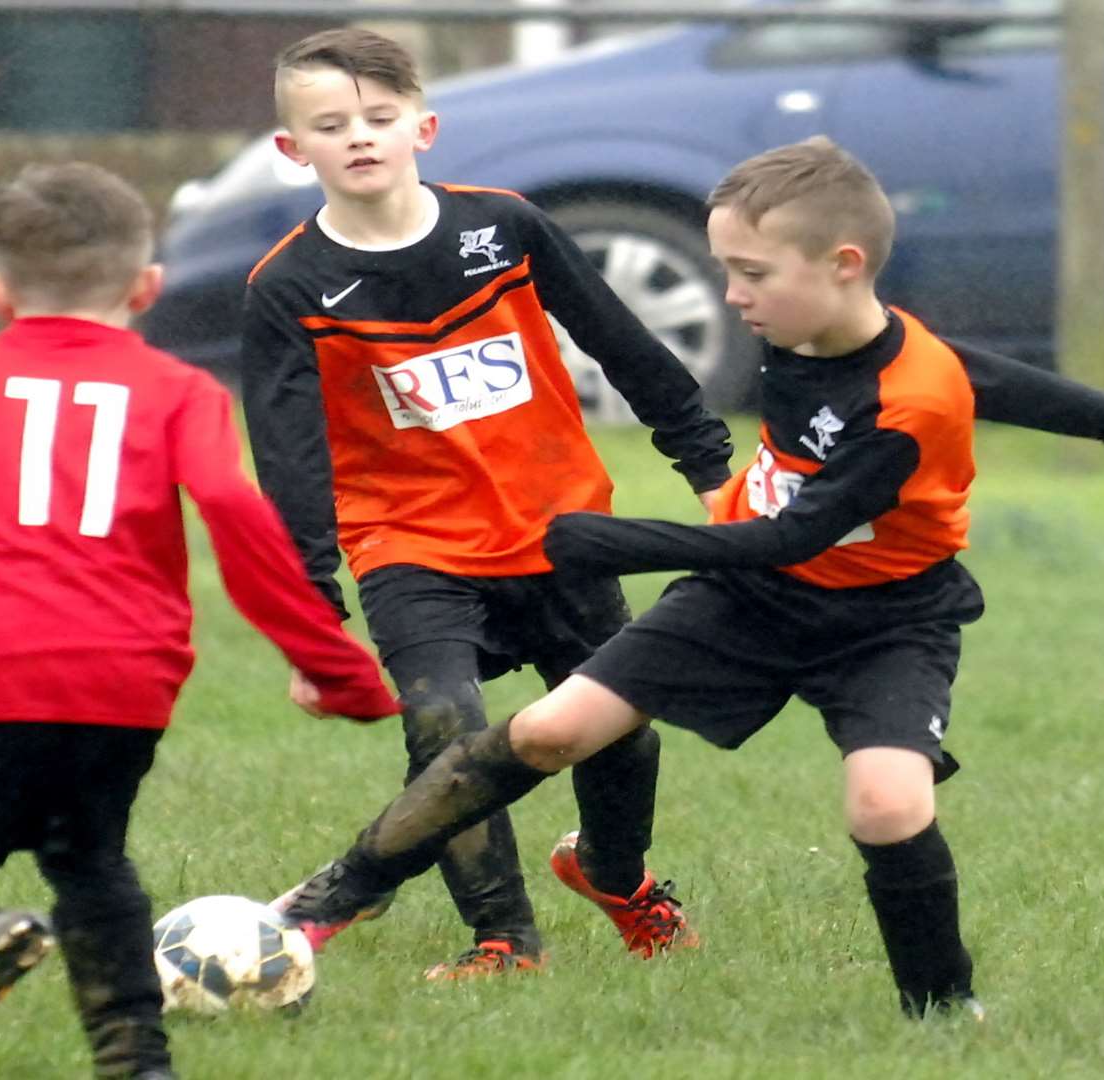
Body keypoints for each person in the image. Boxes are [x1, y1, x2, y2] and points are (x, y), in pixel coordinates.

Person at [272, 136, 1104, 1019]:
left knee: (887, 804)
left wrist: (612, 542)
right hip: (747, 600)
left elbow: (793, 535)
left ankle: (940, 1008)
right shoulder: (808, 325)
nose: (732, 297)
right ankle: (332, 899)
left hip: (882, 619)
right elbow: (983, 373)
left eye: (752, 274)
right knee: (551, 729)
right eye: (726, 270)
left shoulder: (905, 407)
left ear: (843, 265)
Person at [0, 162, 398, 1079]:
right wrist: (331, 663)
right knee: (89, 862)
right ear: (146, 288)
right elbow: (235, 514)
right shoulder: (180, 391)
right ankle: (136, 1056)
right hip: (125, 687)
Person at [241, 28, 735, 979]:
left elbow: (624, 345)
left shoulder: (504, 227)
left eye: (380, 118)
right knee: (444, 727)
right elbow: (291, 463)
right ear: (292, 150)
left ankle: (614, 875)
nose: (360, 138)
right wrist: (311, 624)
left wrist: (707, 466)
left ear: (422, 126)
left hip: (560, 533)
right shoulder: (287, 287)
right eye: (331, 124)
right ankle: (505, 942)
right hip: (409, 547)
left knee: (620, 728)